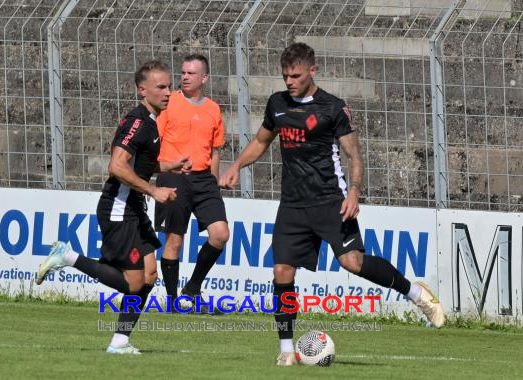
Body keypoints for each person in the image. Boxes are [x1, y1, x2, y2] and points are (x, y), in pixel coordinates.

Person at [219, 43, 445, 366]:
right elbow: (260, 142)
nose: (289, 82)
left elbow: (354, 154)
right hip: (293, 205)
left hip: (330, 201)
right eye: (285, 76)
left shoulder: (333, 108)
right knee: (282, 271)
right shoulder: (277, 104)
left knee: (353, 262)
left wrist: (354, 192)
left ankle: (417, 295)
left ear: (313, 70)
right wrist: (235, 166)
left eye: (295, 75)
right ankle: (286, 349)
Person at [36, 60, 191, 355]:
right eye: (161, 87)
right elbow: (117, 166)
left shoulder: (151, 122)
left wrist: (171, 166)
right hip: (119, 209)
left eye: (169, 86)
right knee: (133, 283)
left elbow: (141, 164)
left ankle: (120, 342)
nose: (168, 92)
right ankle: (66, 256)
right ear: (142, 90)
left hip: (133, 207)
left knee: (148, 276)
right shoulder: (137, 122)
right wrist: (153, 190)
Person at [154, 54, 229, 313]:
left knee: (220, 235)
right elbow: (154, 141)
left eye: (191, 73)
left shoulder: (213, 109)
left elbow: (216, 149)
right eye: (183, 72)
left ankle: (193, 288)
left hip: (204, 179)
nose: (185, 77)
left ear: (204, 78)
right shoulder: (169, 103)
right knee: (174, 241)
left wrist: (215, 181)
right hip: (174, 178)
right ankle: (174, 301)